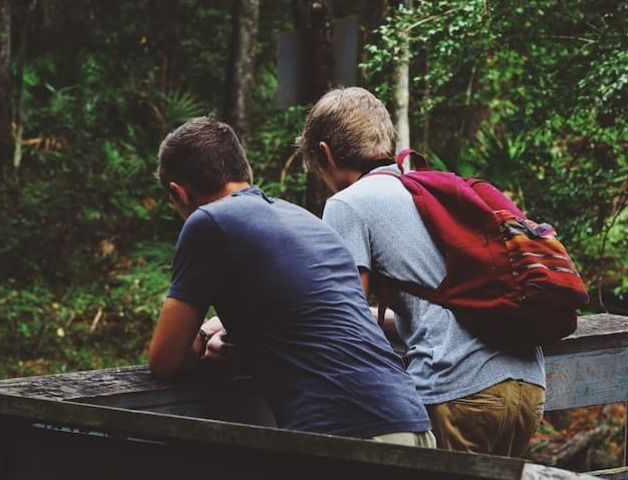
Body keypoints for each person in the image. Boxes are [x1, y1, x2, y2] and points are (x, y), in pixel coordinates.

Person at [148, 116, 435, 447]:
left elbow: (164, 360)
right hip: (411, 421)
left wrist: (198, 337)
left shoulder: (208, 222)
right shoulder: (305, 221)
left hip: (347, 432)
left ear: (179, 193)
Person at [296, 87, 546, 456]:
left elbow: (342, 318)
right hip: (528, 386)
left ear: (325, 153)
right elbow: (437, 308)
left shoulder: (347, 204)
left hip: (458, 389)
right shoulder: (429, 191)